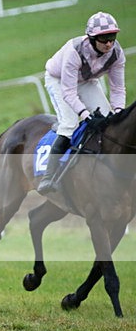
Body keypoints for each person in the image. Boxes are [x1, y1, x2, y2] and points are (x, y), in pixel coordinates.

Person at [38, 11, 126, 194]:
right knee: (70, 124)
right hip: (59, 80)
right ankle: (48, 177)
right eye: (103, 39)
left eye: (112, 37)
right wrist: (86, 117)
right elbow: (69, 92)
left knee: (108, 119)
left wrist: (119, 113)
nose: (109, 43)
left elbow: (117, 89)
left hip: (87, 81)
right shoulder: (75, 51)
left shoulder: (116, 53)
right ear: (92, 38)